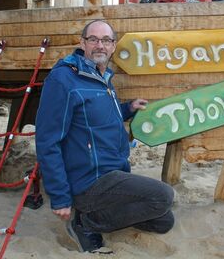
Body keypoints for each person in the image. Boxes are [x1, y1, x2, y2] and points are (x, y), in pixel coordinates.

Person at [35, 20, 175, 253]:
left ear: (113, 46)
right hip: (89, 181)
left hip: (113, 171)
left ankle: (97, 215)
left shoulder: (103, 77)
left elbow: (97, 118)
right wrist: (59, 196)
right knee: (163, 196)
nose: (100, 45)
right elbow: (47, 140)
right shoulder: (64, 79)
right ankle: (85, 223)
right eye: (94, 39)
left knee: (163, 221)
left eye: (106, 41)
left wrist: (127, 109)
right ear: (82, 43)